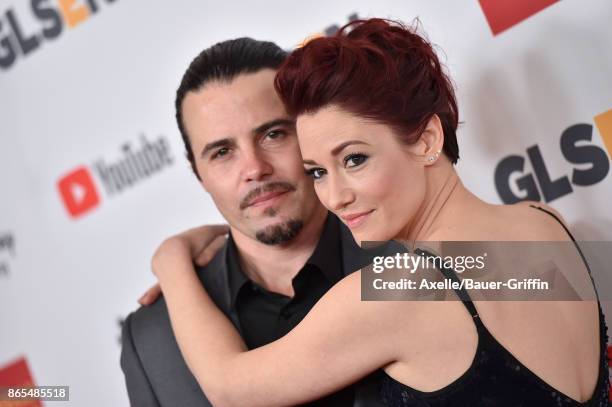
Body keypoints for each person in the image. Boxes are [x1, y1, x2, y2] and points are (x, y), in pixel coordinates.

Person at [151, 18, 609, 406]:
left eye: (354, 160)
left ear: (428, 140)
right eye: (317, 172)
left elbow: (231, 387)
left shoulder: (402, 293)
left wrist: (171, 259)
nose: (335, 197)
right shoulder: (543, 220)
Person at [120, 37, 387, 406]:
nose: (255, 169)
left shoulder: (418, 258)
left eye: (273, 134)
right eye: (222, 152)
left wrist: (171, 257)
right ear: (198, 174)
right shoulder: (153, 340)